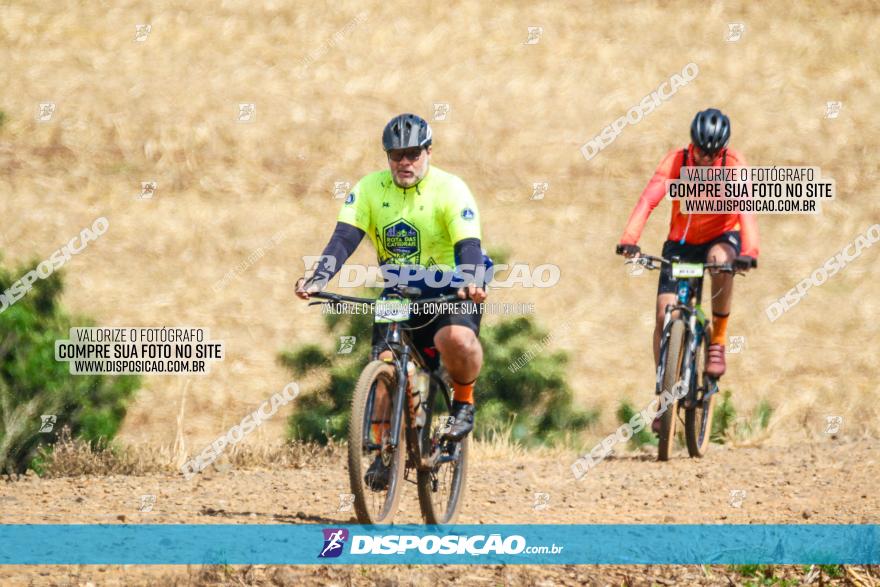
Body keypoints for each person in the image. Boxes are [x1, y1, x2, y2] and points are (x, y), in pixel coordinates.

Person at [295, 113, 488, 489]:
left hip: (449, 288)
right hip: (399, 291)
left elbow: (469, 244)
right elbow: (344, 239)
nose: (405, 162)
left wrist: (471, 280)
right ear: (387, 156)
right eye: (396, 154)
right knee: (383, 368)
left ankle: (464, 403)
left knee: (457, 341)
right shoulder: (369, 189)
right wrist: (318, 276)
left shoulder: (451, 189)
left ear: (428, 152)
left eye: (413, 153)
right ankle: (385, 452)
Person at [616, 108, 758, 379]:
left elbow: (746, 209)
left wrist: (749, 251)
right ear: (692, 144)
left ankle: (717, 340)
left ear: (722, 151)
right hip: (682, 243)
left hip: (722, 236)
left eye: (713, 154)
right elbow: (648, 201)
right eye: (701, 152)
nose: (706, 159)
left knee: (721, 263)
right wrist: (629, 240)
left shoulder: (733, 164)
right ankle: (664, 392)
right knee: (663, 315)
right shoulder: (677, 161)